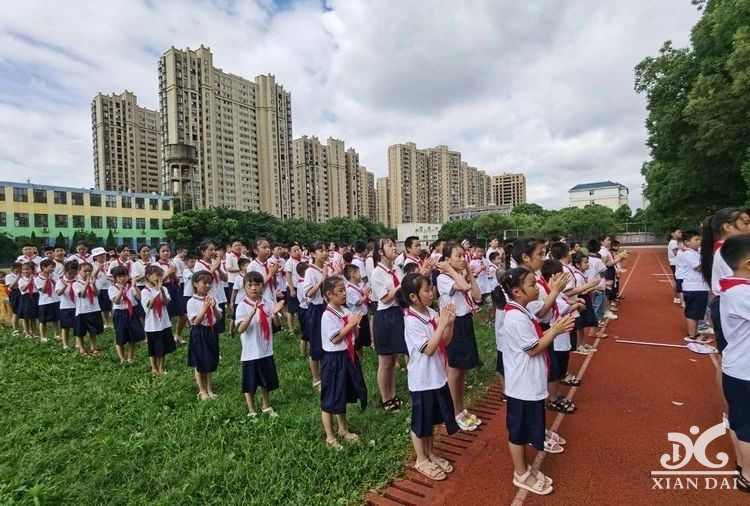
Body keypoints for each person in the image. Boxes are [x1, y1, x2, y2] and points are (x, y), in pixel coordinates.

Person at [498, 267, 575, 495]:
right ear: (517, 291)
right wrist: (555, 330)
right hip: (522, 386)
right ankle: (520, 472)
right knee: (518, 432)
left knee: (526, 427)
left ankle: (524, 467)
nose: (538, 288)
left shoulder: (522, 310)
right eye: (532, 285)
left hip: (529, 383)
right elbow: (532, 349)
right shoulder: (515, 317)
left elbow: (539, 320)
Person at [398, 272, 458, 480]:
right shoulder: (411, 321)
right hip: (422, 380)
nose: (431, 292)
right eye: (426, 290)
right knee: (420, 422)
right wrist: (441, 325)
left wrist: (449, 324)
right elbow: (429, 349)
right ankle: (421, 458)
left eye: (431, 287)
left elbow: (445, 341)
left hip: (437, 376)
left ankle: (431, 453)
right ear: (413, 297)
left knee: (431, 418)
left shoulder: (431, 313)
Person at [717, 234, 750, 492]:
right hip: (744, 369)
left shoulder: (733, 288)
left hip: (737, 366)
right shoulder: (742, 293)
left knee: (739, 418)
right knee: (746, 424)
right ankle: (747, 474)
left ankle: (741, 466)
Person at [437, 242, 482, 430]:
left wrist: (469, 272)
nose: (463, 259)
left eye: (464, 255)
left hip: (465, 322)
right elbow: (463, 287)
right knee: (454, 370)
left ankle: (460, 408)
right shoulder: (443, 278)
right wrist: (449, 269)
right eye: (458, 256)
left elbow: (477, 296)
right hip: (453, 324)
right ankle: (454, 412)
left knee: (462, 370)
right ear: (447, 260)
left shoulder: (459, 275)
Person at [319, 275, 367, 449]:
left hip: (347, 356)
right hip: (334, 360)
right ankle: (329, 437)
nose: (344, 294)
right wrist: (350, 324)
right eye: (340, 291)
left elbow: (354, 335)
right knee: (330, 397)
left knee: (342, 393)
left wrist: (355, 325)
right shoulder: (327, 315)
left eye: (344, 290)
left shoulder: (345, 311)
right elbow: (335, 339)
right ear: (329, 295)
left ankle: (343, 429)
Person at [235, 271, 285, 416]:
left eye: (257, 284)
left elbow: (277, 325)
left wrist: (275, 314)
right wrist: (251, 314)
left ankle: (266, 406)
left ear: (262, 286)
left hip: (266, 349)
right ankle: (252, 410)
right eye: (249, 285)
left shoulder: (268, 303)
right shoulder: (242, 306)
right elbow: (240, 329)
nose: (253, 288)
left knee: (265, 380)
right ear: (244, 287)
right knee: (249, 383)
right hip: (250, 352)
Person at [371, 236, 406, 412]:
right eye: (389, 245)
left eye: (393, 244)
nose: (394, 248)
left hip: (397, 313)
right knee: (385, 361)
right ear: (380, 252)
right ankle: (385, 398)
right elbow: (385, 298)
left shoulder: (396, 269)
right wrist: (401, 287)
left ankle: (393, 394)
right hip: (385, 316)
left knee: (393, 359)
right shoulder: (377, 273)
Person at [187, 271, 223, 400]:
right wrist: (205, 308)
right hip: (199, 333)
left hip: (211, 331)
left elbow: (219, 317)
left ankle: (209, 388)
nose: (208, 285)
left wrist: (214, 308)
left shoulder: (212, 298)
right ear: (196, 284)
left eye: (209, 283)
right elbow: (196, 322)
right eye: (204, 283)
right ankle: (202, 390)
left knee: (209, 360)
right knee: (200, 361)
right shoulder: (191, 302)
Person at [302, 241, 328, 390]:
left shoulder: (325, 268)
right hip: (316, 309)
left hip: (327, 308)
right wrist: (321, 281)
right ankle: (316, 378)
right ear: (312, 254)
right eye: (320, 251)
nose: (324, 253)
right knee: (316, 344)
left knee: (327, 342)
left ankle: (326, 373)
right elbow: (308, 294)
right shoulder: (310, 271)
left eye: (325, 250)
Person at [678, 231, 712, 344]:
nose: (699, 242)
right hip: (694, 288)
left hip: (699, 287)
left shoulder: (695, 252)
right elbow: (699, 268)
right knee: (693, 312)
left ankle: (695, 333)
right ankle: (692, 336)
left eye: (699, 239)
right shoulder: (689, 254)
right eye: (696, 240)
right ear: (686, 242)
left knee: (697, 312)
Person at [141, 265, 175, 374]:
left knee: (163, 346)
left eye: (161, 275)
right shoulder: (145, 291)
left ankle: (161, 367)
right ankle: (154, 368)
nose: (160, 278)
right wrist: (156, 292)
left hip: (164, 323)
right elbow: (150, 306)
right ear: (148, 276)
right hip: (152, 325)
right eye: (157, 275)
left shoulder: (164, 288)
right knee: (153, 348)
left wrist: (161, 291)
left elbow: (166, 302)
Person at [108, 266, 145, 364]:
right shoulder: (112, 288)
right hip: (120, 313)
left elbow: (139, 297)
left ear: (128, 276)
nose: (122, 278)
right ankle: (122, 358)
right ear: (115, 278)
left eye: (124, 276)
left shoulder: (131, 287)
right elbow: (116, 301)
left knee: (132, 336)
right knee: (120, 336)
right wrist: (121, 291)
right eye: (119, 277)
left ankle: (130, 357)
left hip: (132, 312)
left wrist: (135, 286)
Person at [193, 240, 228, 334]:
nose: (213, 252)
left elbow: (225, 278)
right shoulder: (198, 265)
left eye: (214, 250)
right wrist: (213, 268)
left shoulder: (215, 262)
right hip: (208, 297)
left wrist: (218, 268)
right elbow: (202, 280)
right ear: (203, 252)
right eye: (210, 250)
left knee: (220, 325)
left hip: (220, 296)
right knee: (211, 323)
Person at [155, 243, 187, 343]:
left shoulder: (173, 263)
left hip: (174, 288)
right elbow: (157, 282)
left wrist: (173, 275)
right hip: (163, 289)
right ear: (158, 253)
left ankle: (177, 335)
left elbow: (178, 280)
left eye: (167, 251)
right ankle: (167, 337)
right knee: (166, 314)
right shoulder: (155, 266)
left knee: (183, 314)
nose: (166, 253)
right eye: (163, 251)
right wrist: (167, 273)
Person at [73, 262, 103, 356]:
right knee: (80, 331)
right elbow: (82, 295)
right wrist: (87, 283)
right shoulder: (76, 284)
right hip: (82, 310)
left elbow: (97, 294)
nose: (88, 273)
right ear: (79, 271)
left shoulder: (95, 281)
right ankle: (81, 348)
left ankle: (93, 347)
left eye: (90, 271)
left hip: (94, 309)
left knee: (93, 330)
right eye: (85, 271)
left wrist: (93, 284)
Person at [344, 264, 372, 360]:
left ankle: (360, 356)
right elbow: (358, 302)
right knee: (357, 338)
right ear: (353, 274)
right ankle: (356, 357)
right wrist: (366, 295)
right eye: (359, 273)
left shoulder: (357, 286)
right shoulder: (349, 289)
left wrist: (366, 293)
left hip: (362, 314)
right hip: (356, 317)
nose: (360, 275)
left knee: (362, 336)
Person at [55, 260, 79, 350]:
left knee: (77, 326)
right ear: (65, 271)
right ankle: (65, 344)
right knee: (65, 327)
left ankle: (77, 343)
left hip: (77, 307)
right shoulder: (60, 281)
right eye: (70, 273)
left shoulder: (78, 281)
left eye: (75, 273)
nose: (72, 275)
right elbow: (58, 293)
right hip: (65, 307)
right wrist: (64, 286)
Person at [35, 258, 60, 342]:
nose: (53, 269)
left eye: (54, 267)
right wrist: (46, 280)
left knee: (55, 319)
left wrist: (52, 279)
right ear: (43, 267)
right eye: (51, 267)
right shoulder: (37, 279)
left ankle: (56, 334)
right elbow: (43, 290)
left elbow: (58, 286)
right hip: (44, 302)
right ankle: (43, 336)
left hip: (55, 300)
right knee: (43, 320)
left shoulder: (55, 276)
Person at [284, 242, 304, 334]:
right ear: (290, 252)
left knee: (301, 309)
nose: (297, 252)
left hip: (301, 288)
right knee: (291, 310)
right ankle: (291, 330)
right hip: (293, 287)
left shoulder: (302, 260)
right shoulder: (289, 262)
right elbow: (288, 276)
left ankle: (301, 327)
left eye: (298, 249)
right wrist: (291, 289)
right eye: (294, 251)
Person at [91, 247, 112, 329]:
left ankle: (113, 322)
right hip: (100, 288)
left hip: (110, 287)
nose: (102, 256)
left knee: (112, 306)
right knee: (103, 307)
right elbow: (92, 278)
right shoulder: (92, 265)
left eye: (103, 254)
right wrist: (97, 270)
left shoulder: (110, 264)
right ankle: (106, 323)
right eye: (99, 255)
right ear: (95, 257)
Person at [16, 262, 39, 339]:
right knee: (25, 317)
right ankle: (27, 333)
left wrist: (34, 280)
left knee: (33, 317)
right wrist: (29, 282)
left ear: (32, 270)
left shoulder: (36, 278)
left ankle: (34, 332)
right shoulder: (21, 279)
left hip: (34, 297)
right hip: (26, 298)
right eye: (24, 269)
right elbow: (23, 289)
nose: (26, 271)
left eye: (28, 269)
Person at [296, 262, 310, 357]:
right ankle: (302, 353)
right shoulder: (302, 284)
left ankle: (309, 350)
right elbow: (306, 297)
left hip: (305, 309)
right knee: (305, 333)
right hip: (305, 309)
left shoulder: (302, 282)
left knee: (309, 331)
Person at [667, 228, 683, 305]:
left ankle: (678, 297)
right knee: (677, 280)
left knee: (677, 280)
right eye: (678, 232)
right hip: (675, 263)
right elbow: (676, 253)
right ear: (672, 234)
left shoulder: (676, 242)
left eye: (680, 232)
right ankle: (677, 297)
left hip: (676, 263)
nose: (680, 234)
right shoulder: (673, 243)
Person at [4, 263, 21, 336]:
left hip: (23, 293)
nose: (18, 269)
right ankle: (15, 330)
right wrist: (18, 278)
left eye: (19, 268)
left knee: (25, 312)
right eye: (16, 268)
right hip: (14, 294)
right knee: (15, 312)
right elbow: (10, 287)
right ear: (13, 269)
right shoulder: (9, 276)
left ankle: (27, 329)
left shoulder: (24, 275)